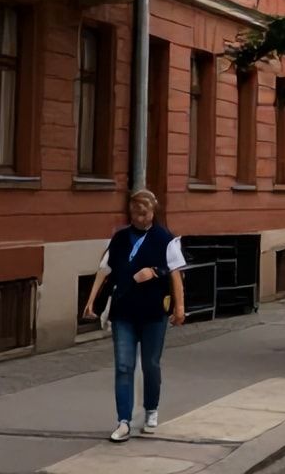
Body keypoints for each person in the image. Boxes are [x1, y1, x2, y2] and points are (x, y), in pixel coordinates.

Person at [83, 189, 186, 442]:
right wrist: (90, 301)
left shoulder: (164, 238)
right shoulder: (119, 238)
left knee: (150, 364)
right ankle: (124, 421)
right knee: (123, 366)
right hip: (124, 312)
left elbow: (176, 273)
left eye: (145, 213)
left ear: (153, 212)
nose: (140, 218)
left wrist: (179, 307)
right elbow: (104, 270)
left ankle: (151, 409)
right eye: (135, 212)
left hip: (153, 313)